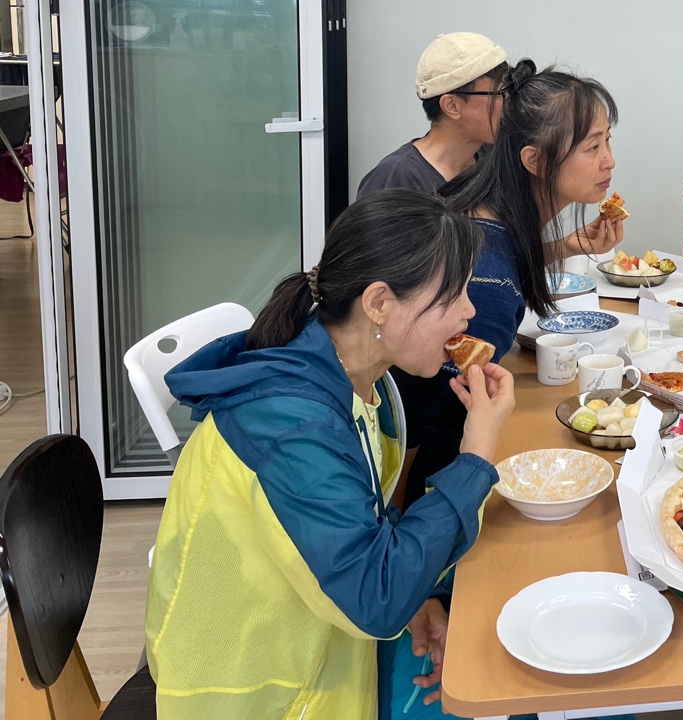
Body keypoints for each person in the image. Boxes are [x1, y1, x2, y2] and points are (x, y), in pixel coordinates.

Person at [146, 190, 516, 719]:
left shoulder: (357, 373)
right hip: (259, 690)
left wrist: (418, 598)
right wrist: (475, 457)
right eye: (453, 294)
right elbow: (376, 598)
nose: (470, 311)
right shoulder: (292, 427)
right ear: (379, 303)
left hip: (326, 635)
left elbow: (360, 520)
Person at [392, 59, 622, 505]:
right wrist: (403, 510)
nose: (609, 160)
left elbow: (509, 256)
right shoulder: (486, 285)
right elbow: (430, 412)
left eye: (608, 140)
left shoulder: (483, 210)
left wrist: (565, 245)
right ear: (534, 160)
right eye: (593, 146)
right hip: (433, 491)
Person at [358, 32, 510, 195]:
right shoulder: (396, 179)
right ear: (452, 106)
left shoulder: (492, 158)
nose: (509, 101)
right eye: (500, 93)